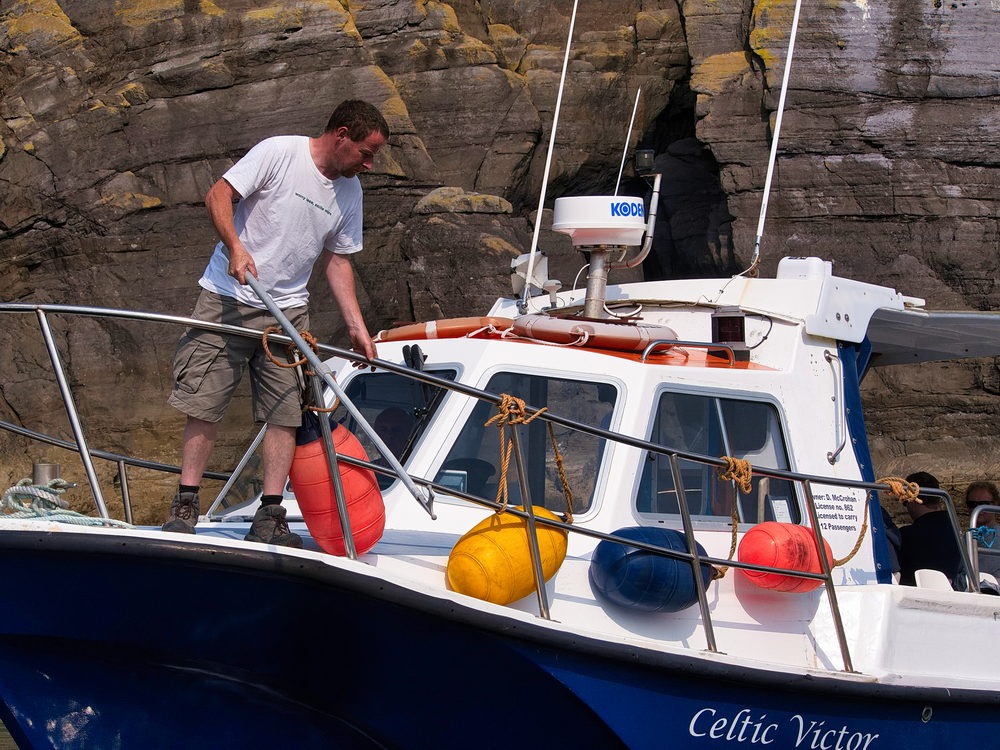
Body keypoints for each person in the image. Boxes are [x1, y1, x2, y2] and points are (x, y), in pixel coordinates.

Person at [162, 100, 389, 546]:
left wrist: (357, 326)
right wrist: (236, 247)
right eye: (366, 153)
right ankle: (185, 504)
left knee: (285, 413)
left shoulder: (351, 193)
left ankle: (269, 515)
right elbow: (218, 194)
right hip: (227, 298)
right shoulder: (280, 152)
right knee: (204, 403)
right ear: (342, 135)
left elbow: (338, 260)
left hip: (288, 312)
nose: (369, 164)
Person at [897, 471, 964, 588]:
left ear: (912, 500)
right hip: (952, 591)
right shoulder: (956, 531)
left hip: (916, 593)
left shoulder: (906, 535)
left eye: (905, 502)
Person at [965, 481, 1000, 583]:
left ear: (996, 504)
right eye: (972, 504)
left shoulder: (997, 537)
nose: (977, 508)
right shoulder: (963, 539)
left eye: (984, 504)